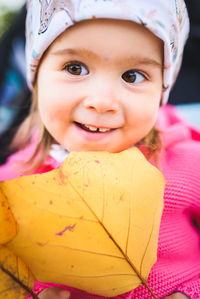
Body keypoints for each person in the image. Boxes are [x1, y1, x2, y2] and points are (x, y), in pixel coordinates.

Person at [0, 0, 200, 298]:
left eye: (132, 75)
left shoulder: (187, 162)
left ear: (161, 90)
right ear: (37, 78)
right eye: (74, 68)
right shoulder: (13, 185)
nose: (102, 100)